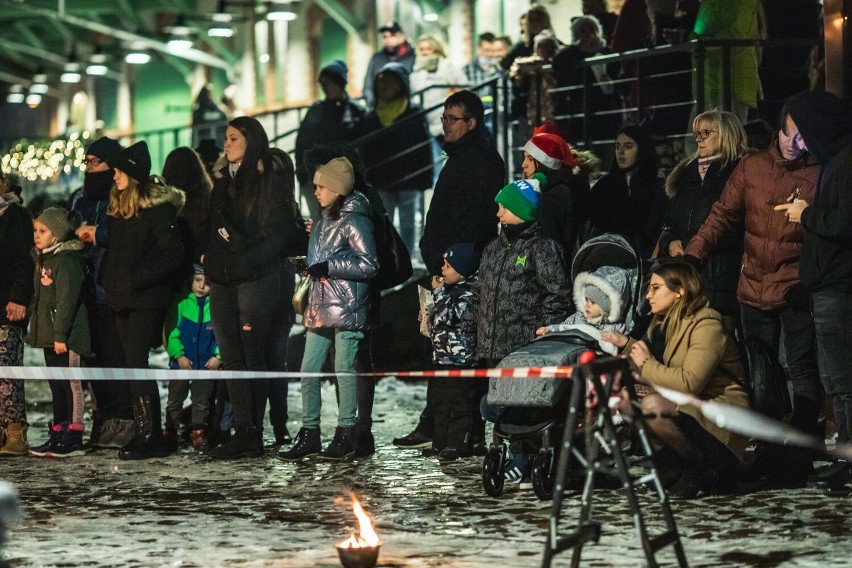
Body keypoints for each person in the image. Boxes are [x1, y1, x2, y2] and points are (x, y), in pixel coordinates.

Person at [684, 100, 820, 486]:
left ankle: (801, 454)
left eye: (802, 135)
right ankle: (769, 449)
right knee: (761, 374)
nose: (795, 142)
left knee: (803, 371)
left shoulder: (818, 172)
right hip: (753, 286)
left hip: (794, 289)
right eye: (789, 132)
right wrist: (695, 253)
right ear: (777, 132)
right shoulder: (753, 167)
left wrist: (806, 282)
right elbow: (722, 215)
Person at [394, 90, 505, 450]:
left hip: (460, 272)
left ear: (472, 122)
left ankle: (459, 430)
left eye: (452, 119)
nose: (445, 125)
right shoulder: (457, 157)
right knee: (437, 347)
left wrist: (453, 265)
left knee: (459, 352)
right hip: (441, 268)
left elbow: (474, 220)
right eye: (443, 119)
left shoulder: (484, 161)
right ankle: (435, 421)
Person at [203, 117, 307, 460]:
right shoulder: (223, 182)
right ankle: (243, 429)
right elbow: (211, 226)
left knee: (253, 355)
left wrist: (248, 261)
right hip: (222, 279)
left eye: (234, 138)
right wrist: (209, 259)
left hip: (253, 279)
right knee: (231, 355)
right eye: (226, 138)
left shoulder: (266, 182)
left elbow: (278, 234)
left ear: (251, 142)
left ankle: (255, 431)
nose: (226, 145)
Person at [77, 141, 186, 460]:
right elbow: (118, 253)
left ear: (134, 174)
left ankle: (149, 434)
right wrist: (113, 281)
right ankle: (148, 431)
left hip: (144, 299)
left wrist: (136, 279)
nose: (114, 176)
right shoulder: (122, 207)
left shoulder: (156, 209)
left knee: (136, 364)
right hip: (122, 298)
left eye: (120, 171)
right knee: (130, 365)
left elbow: (172, 253)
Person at [604, 262, 749, 499]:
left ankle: (701, 468)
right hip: (692, 410)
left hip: (719, 418)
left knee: (651, 406)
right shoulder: (669, 323)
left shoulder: (707, 325)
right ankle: (669, 464)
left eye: (655, 288)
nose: (648, 295)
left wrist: (646, 366)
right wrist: (628, 346)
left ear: (680, 291)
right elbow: (658, 366)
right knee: (627, 401)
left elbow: (689, 382)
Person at [773, 90, 852, 494]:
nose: (800, 144)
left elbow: (844, 222)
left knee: (843, 380)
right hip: (829, 287)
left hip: (840, 288)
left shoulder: (846, 161)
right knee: (836, 380)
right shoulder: (836, 162)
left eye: (801, 134)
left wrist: (806, 213)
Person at [278, 157, 378, 462]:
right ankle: (310, 433)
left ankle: (346, 432)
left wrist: (329, 265)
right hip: (321, 305)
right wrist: (308, 264)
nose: (316, 190)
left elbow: (370, 264)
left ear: (337, 189)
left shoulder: (356, 219)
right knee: (309, 368)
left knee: (343, 370)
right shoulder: (323, 220)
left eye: (321, 186)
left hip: (346, 308)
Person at [464, 173, 572, 368]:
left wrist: (544, 334)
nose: (498, 214)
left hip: (525, 350)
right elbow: (479, 292)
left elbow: (558, 295)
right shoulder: (493, 248)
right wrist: (469, 327)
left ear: (521, 210)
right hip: (489, 348)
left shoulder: (542, 248)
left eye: (504, 208)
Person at [69, 136, 135, 450]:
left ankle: (124, 421)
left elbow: (126, 233)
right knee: (93, 357)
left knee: (115, 356)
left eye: (96, 162)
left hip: (111, 290)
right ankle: (103, 418)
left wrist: (99, 234)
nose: (90, 168)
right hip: (85, 291)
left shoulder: (120, 195)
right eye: (87, 162)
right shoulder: (80, 200)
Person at [658, 109, 748, 322]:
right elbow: (669, 223)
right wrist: (671, 242)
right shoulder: (686, 176)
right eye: (696, 134)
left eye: (705, 133)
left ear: (726, 134)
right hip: (688, 272)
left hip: (724, 271)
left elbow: (736, 224)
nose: (699, 139)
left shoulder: (739, 172)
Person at [28, 207, 91, 458]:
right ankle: (58, 431)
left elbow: (66, 301)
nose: (37, 235)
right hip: (50, 336)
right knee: (56, 385)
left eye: (43, 231)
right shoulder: (44, 259)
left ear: (57, 235)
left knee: (70, 384)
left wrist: (60, 335)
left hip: (67, 337)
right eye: (35, 230)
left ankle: (73, 436)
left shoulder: (66, 262)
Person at [358, 62, 433, 258]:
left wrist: (425, 177)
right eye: (381, 83)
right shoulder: (371, 116)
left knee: (408, 222)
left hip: (408, 178)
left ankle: (406, 257)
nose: (384, 88)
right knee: (384, 223)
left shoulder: (413, 112)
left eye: (389, 83)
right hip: (381, 179)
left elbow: (423, 147)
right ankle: (388, 259)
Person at [424, 243, 480, 461]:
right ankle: (440, 442)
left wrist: (438, 293)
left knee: (460, 403)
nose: (443, 270)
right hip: (442, 357)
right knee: (441, 402)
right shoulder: (447, 290)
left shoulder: (469, 292)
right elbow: (440, 318)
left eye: (448, 266)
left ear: (462, 270)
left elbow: (452, 316)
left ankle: (459, 444)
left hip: (461, 359)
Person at [295, 60, 366, 220]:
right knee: (321, 219)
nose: (325, 87)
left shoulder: (355, 111)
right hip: (318, 173)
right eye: (323, 84)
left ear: (339, 83)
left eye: (329, 83)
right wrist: (301, 166)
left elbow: (361, 142)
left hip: (345, 176)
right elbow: (302, 141)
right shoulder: (317, 111)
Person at [584, 124, 667, 258]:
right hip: (608, 259)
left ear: (642, 149)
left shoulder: (658, 187)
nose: (620, 152)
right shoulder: (605, 186)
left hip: (646, 262)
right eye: (617, 146)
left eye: (628, 146)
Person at [165, 265, 220, 453]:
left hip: (205, 365)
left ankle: (198, 433)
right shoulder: (181, 304)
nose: (201, 286)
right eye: (198, 280)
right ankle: (170, 432)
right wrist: (178, 355)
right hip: (181, 364)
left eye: (206, 283)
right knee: (175, 399)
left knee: (201, 402)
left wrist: (217, 357)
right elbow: (171, 333)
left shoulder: (215, 307)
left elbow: (221, 336)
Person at [0, 172, 35, 457]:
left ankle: (15, 430)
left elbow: (26, 260)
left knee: (7, 369)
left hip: (7, 307)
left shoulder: (16, 216)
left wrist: (19, 297)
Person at [551, 15, 623, 151]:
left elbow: (616, 73)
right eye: (582, 30)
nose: (588, 33)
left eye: (591, 29)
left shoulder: (606, 51)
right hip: (579, 106)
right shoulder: (572, 54)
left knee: (605, 144)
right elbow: (558, 63)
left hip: (605, 106)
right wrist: (579, 48)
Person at [410, 34, 468, 185]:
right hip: (426, 124)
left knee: (451, 163)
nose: (425, 52)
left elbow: (464, 87)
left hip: (446, 123)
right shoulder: (415, 73)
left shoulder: (448, 67)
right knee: (434, 164)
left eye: (429, 48)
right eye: (422, 49)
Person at [536, 265, 632, 355]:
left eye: (593, 302)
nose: (587, 305)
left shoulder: (616, 328)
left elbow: (622, 345)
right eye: (586, 300)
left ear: (607, 308)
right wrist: (549, 329)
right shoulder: (578, 317)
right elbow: (563, 328)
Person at [692, 0, 762, 122]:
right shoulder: (708, 3)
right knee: (699, 138)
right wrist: (695, 40)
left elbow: (735, 36)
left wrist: (696, 40)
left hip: (732, 84)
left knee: (727, 138)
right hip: (709, 86)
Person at [521, 129, 586, 259]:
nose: (524, 165)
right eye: (524, 158)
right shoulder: (563, 189)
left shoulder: (553, 197)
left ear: (546, 163)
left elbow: (548, 250)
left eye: (530, 159)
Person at [363, 21, 416, 110]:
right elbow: (368, 85)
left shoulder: (412, 57)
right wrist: (373, 105)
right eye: (384, 37)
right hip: (380, 110)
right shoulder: (376, 59)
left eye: (392, 35)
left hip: (406, 110)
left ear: (401, 37)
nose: (387, 40)